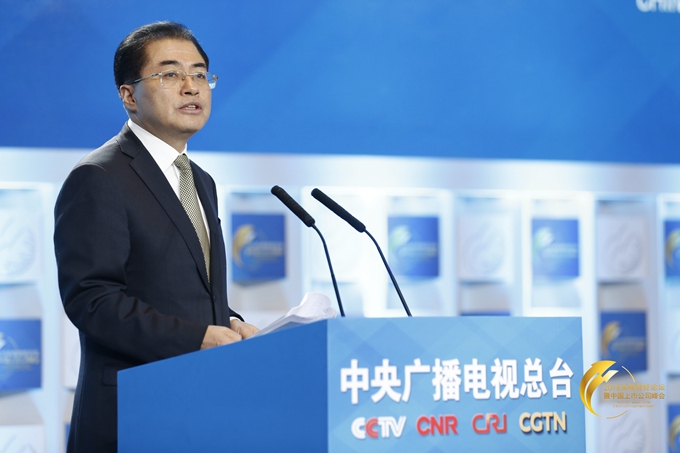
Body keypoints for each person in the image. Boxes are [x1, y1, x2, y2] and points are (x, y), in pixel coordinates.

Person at [54, 21, 259, 453]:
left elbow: (182, 288)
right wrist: (197, 338)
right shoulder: (99, 176)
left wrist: (229, 321)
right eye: (170, 74)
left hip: (199, 408)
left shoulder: (200, 180)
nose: (191, 86)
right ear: (129, 95)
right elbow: (92, 301)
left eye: (200, 73)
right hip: (131, 414)